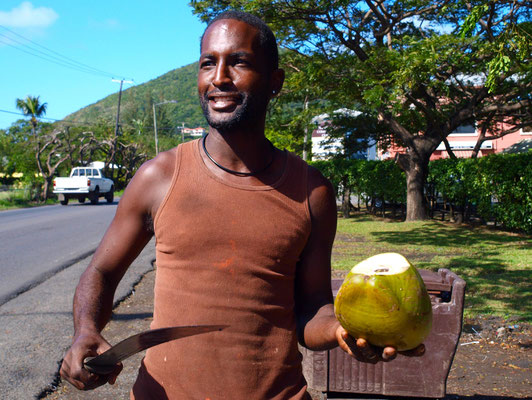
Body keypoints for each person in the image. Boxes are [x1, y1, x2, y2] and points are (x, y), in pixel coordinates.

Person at [59, 10, 422, 399]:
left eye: (239, 62)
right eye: (207, 64)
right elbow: (101, 272)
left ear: (275, 82)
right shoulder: (158, 177)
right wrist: (86, 331)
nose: (219, 78)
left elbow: (313, 307)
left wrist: (342, 331)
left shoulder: (311, 191)